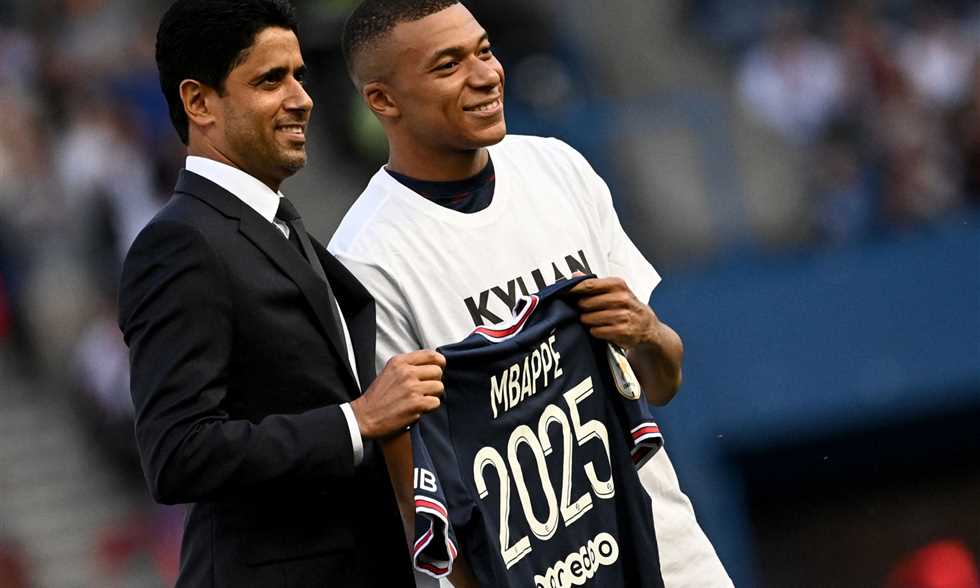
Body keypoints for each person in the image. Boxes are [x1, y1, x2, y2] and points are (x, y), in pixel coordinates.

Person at [328, 1, 734, 586]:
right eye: (448, 65)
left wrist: (647, 333)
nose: (486, 75)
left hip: (670, 555)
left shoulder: (557, 168)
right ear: (382, 100)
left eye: (485, 51)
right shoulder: (366, 259)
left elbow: (662, 383)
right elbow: (418, 500)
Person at [118, 1, 443, 586]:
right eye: (271, 80)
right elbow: (177, 451)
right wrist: (355, 420)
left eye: (299, 75)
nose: (302, 98)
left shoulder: (275, 225)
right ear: (199, 103)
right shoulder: (181, 243)